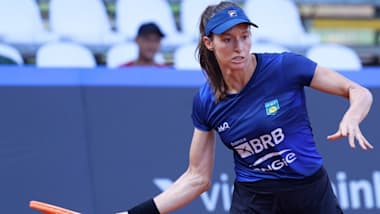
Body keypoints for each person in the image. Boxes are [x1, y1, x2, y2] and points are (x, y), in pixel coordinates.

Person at [122, 1, 374, 213]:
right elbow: (197, 178)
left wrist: (351, 117)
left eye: (244, 37)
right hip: (255, 200)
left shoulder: (285, 67)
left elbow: (358, 91)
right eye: (228, 39)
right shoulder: (207, 100)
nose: (240, 47)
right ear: (209, 43)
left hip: (310, 195)